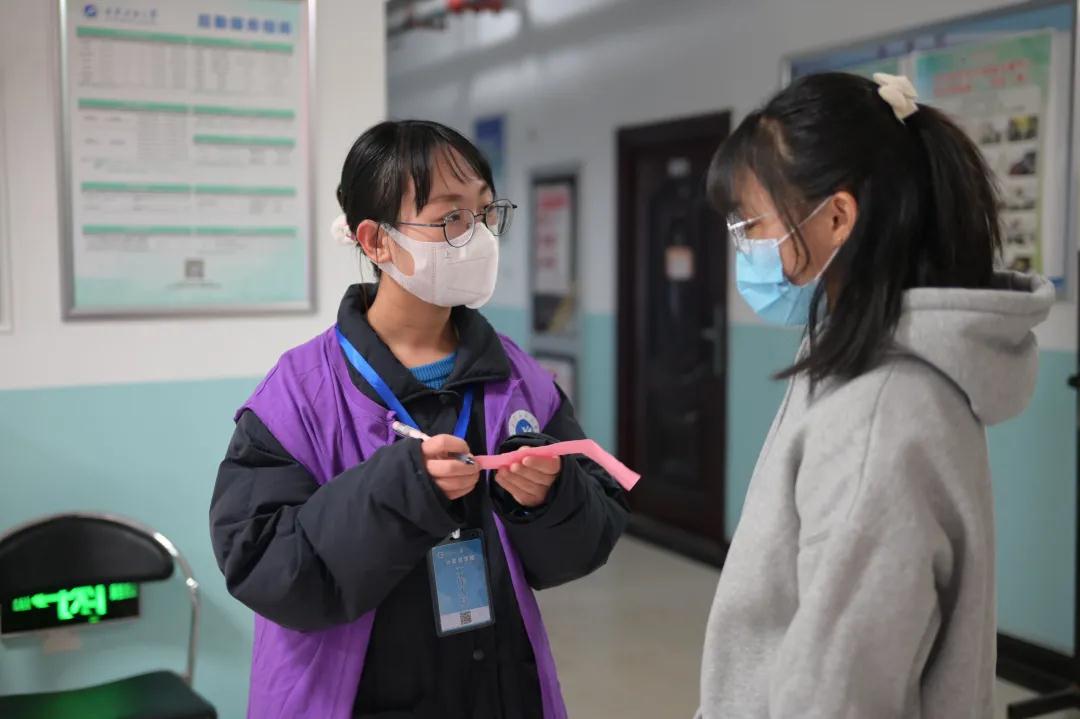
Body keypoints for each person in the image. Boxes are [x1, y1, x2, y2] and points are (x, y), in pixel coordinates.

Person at [209, 120, 628, 719]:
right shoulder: (299, 395)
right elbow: (264, 567)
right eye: (450, 217)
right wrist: (397, 492)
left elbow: (585, 543)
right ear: (376, 241)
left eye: (485, 212)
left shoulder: (518, 378)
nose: (478, 236)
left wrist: (548, 499)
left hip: (499, 693)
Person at [696, 73, 1053, 718]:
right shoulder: (863, 363)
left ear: (836, 217)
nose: (745, 247)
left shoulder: (881, 414)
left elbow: (838, 696)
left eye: (751, 224)